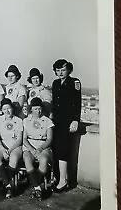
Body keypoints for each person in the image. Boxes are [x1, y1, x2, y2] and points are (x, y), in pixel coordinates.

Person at [51, 59, 82, 192]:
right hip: (56, 122)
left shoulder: (75, 82)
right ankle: (58, 179)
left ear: (69, 70)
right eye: (58, 70)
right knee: (56, 150)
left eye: (63, 70)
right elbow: (54, 103)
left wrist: (75, 120)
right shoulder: (55, 83)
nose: (60, 73)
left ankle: (64, 181)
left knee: (64, 150)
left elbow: (77, 103)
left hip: (68, 122)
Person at [23, 97, 54, 200]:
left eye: (39, 108)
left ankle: (36, 186)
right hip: (30, 147)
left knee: (44, 160)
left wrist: (40, 148)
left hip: (43, 147)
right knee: (27, 159)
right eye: (35, 109)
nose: (38, 111)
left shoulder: (47, 121)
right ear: (31, 109)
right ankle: (38, 187)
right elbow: (24, 139)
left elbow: (49, 139)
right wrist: (31, 149)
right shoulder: (26, 121)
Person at [0, 98, 23, 198]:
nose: (7, 111)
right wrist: (2, 149)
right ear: (1, 110)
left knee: (14, 158)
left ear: (12, 109)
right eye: (4, 109)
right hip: (2, 146)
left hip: (15, 146)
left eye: (9, 108)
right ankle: (8, 185)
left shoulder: (18, 121)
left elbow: (19, 140)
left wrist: (9, 150)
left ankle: (6, 184)